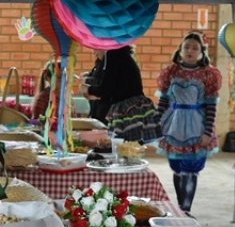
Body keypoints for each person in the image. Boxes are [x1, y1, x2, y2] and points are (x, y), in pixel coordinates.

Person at [156, 32, 222, 214]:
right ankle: (180, 208)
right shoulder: (170, 72)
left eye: (195, 48)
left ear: (202, 52)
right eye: (186, 47)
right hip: (173, 126)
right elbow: (163, 102)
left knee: (191, 169)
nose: (190, 51)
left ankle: (186, 209)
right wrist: (155, 125)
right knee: (177, 168)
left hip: (197, 126)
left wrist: (208, 132)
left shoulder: (209, 75)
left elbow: (211, 107)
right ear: (180, 50)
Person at [81, 46, 143, 123]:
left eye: (96, 47)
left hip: (126, 111)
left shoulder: (113, 55)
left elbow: (106, 89)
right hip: (132, 109)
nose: (94, 52)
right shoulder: (122, 54)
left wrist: (88, 89)